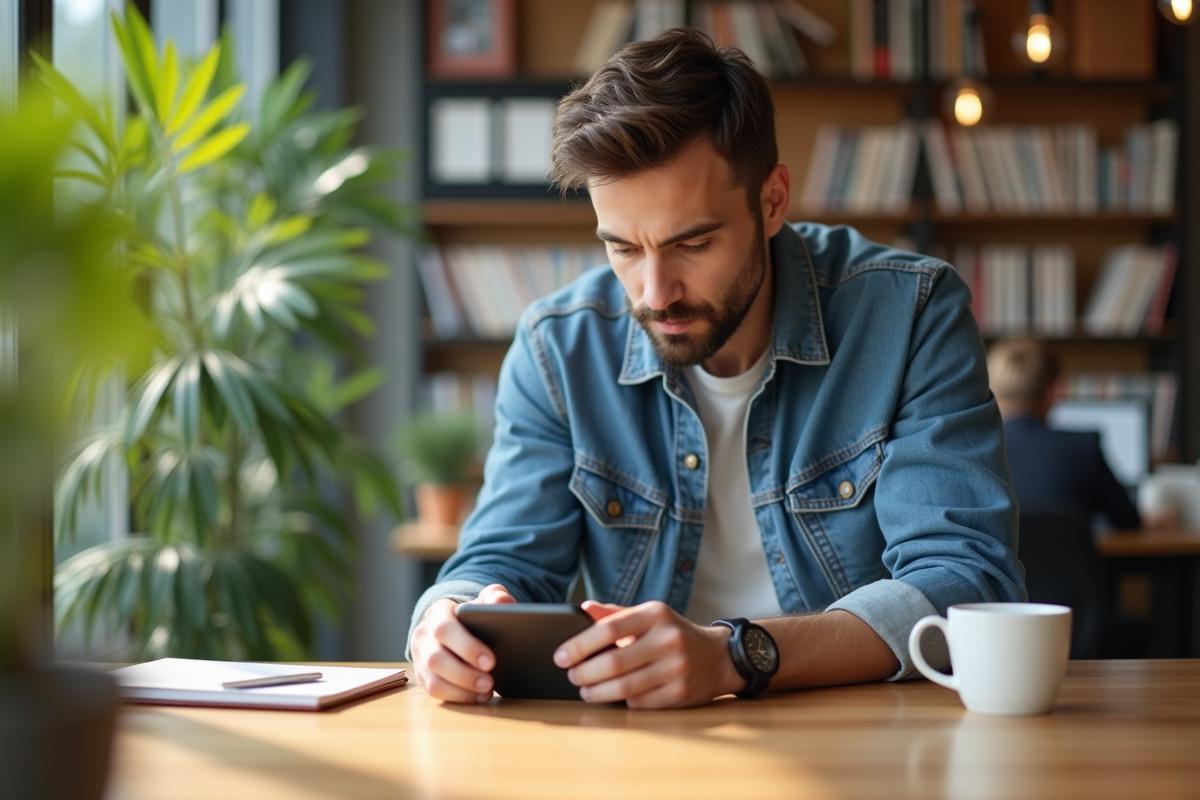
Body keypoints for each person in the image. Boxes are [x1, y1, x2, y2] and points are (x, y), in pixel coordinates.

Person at [408, 28, 1024, 709]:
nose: (655, 293)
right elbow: (501, 561)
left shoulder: (910, 314)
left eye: (693, 243)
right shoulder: (558, 349)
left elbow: (967, 582)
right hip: (637, 739)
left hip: (862, 732)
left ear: (772, 201)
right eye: (623, 248)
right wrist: (447, 618)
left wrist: (736, 656)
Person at [987, 337, 1141, 529]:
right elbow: (1128, 521)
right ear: (1052, 393)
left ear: (992, 390)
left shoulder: (977, 452)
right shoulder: (1084, 447)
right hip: (1071, 550)